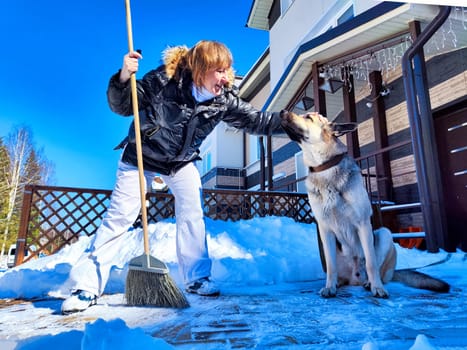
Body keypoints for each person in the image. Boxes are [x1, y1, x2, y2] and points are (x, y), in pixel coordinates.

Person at [61, 40, 284, 314]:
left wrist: (291, 122)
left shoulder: (223, 100)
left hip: (180, 162)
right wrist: (123, 77)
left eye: (227, 70)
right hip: (141, 157)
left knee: (192, 213)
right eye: (219, 70)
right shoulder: (163, 81)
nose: (226, 78)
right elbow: (123, 106)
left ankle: (196, 278)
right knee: (120, 216)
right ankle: (87, 286)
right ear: (200, 69)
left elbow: (258, 121)